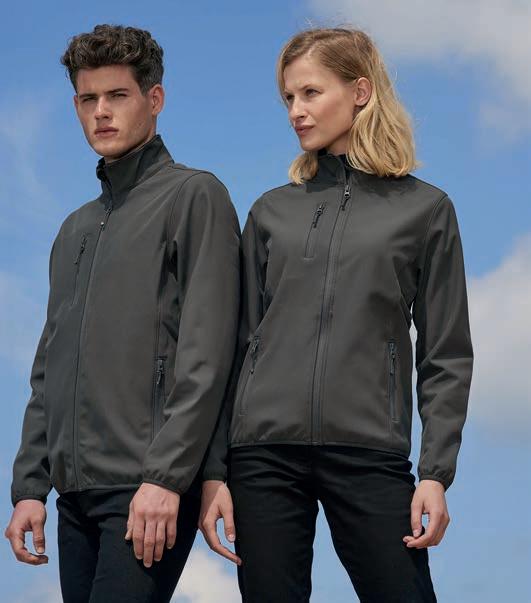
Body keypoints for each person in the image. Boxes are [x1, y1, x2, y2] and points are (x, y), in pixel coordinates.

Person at [199, 27, 474, 602]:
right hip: (263, 456)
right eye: (288, 98)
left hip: (369, 450)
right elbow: (237, 345)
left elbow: (445, 353)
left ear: (360, 92)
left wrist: (434, 473)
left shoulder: (425, 210)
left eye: (310, 93)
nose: (296, 112)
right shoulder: (271, 212)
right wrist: (215, 472)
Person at [4, 24, 240, 603]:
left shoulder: (194, 196)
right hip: (74, 497)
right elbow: (49, 368)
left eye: (118, 95)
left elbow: (209, 355)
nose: (101, 112)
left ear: (154, 99)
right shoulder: (74, 229)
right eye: (88, 99)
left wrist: (167, 477)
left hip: (148, 487)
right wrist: (30, 486)